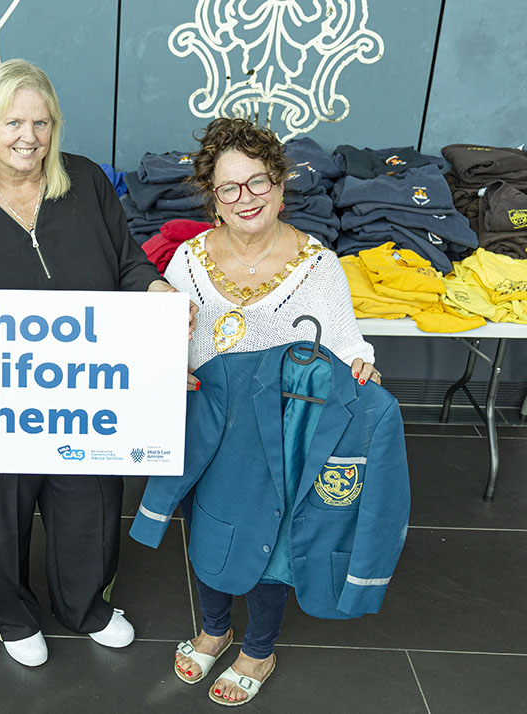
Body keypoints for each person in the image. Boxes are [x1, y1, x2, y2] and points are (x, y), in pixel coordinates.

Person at [0, 58, 194, 668]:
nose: (27, 137)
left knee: (88, 503)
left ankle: (85, 606)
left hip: (86, 394)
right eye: (13, 122)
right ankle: (11, 617)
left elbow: (128, 261)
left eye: (40, 122)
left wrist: (154, 290)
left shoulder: (85, 183)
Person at [158, 117, 379, 706]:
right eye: (229, 188)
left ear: (280, 186)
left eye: (257, 182)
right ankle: (212, 629)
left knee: (271, 541)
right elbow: (161, 339)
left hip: (284, 435)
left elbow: (347, 344)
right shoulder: (187, 262)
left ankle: (258, 646)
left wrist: (359, 366)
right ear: (214, 200)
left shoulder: (317, 265)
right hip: (205, 427)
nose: (245, 198)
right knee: (203, 528)